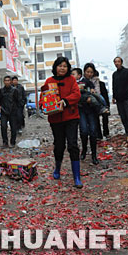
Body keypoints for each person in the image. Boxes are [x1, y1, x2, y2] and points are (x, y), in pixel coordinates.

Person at [41, 57, 82, 188]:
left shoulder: (71, 80)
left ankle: (77, 176)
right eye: (60, 66)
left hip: (71, 117)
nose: (62, 68)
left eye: (65, 66)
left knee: (73, 145)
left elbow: (77, 94)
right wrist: (44, 105)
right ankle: (57, 169)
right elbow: (43, 97)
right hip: (55, 119)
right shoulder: (49, 81)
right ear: (55, 67)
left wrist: (65, 101)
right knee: (59, 145)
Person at [78, 63, 101, 165]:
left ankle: (94, 155)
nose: (89, 74)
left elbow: (98, 94)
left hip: (92, 110)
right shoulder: (79, 81)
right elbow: (76, 95)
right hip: (82, 109)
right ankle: (84, 150)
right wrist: (85, 98)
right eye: (87, 72)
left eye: (91, 72)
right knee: (83, 131)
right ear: (84, 72)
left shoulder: (95, 81)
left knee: (93, 132)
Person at [112, 56, 128, 137]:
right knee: (123, 116)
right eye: (115, 62)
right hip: (119, 99)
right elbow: (114, 86)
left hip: (127, 97)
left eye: (118, 61)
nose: (117, 63)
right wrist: (114, 96)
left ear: (121, 62)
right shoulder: (114, 74)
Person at [0, 75, 20, 148]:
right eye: (5, 80)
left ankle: (13, 142)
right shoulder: (1, 91)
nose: (7, 82)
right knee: (3, 127)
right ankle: (5, 142)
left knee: (13, 127)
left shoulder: (14, 90)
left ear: (10, 81)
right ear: (4, 82)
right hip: (4, 111)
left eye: (8, 80)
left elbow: (17, 100)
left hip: (13, 111)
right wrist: (0, 107)